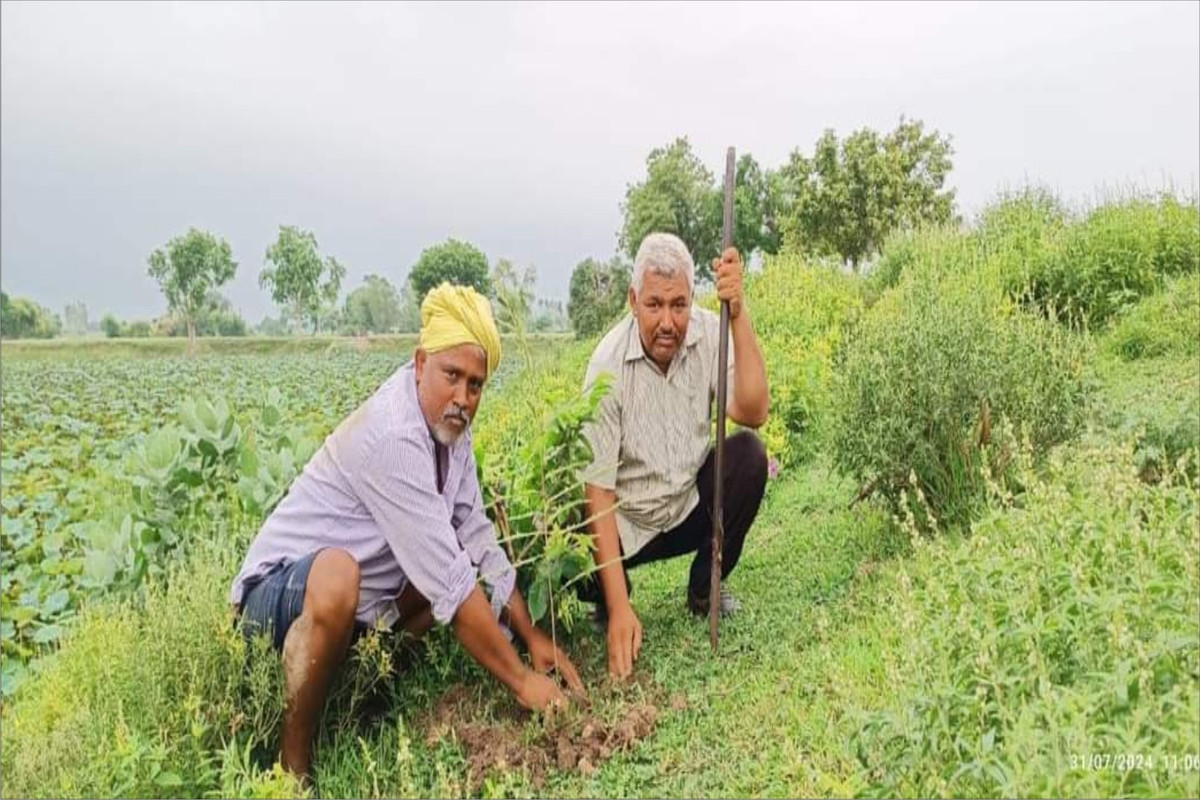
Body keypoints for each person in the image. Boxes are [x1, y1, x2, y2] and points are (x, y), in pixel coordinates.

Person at [229, 283, 583, 779]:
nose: (462, 397)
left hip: (355, 610)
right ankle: (293, 765)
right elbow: (453, 586)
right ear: (420, 364)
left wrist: (532, 636)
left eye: (475, 385)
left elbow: (476, 534)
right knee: (339, 576)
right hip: (274, 601)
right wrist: (523, 682)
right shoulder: (393, 437)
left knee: (435, 563)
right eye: (451, 376)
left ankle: (361, 694)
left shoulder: (451, 427)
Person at [577, 232, 770, 680]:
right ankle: (612, 602)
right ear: (633, 300)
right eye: (655, 305)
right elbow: (599, 490)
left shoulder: (709, 332)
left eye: (679, 305)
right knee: (570, 530)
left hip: (687, 506)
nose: (668, 321)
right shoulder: (605, 368)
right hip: (629, 522)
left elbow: (753, 409)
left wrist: (738, 315)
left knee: (749, 456)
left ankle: (706, 589)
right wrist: (621, 607)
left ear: (692, 299)